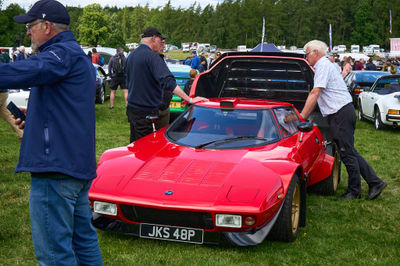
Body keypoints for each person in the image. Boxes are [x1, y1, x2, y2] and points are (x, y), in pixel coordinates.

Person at [1, 0, 103, 264]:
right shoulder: (74, 55)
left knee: (54, 254)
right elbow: (67, 108)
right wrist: (33, 120)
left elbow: (29, 70)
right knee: (83, 241)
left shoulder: (60, 55)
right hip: (74, 165)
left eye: (31, 26)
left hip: (55, 169)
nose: (28, 32)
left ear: (46, 26)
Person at [300, 40, 387, 200]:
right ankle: (375, 182)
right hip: (342, 112)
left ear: (315, 53)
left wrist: (302, 117)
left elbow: (315, 92)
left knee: (346, 153)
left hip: (340, 113)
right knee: (349, 151)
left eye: (306, 54)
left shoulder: (323, 66)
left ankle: (354, 191)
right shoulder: (324, 65)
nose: (306, 58)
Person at [126, 26, 208, 142]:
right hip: (146, 113)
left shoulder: (131, 56)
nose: (162, 45)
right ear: (154, 38)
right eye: (161, 40)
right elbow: (168, 81)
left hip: (132, 110)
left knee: (135, 145)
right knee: (147, 148)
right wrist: (189, 99)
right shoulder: (152, 57)